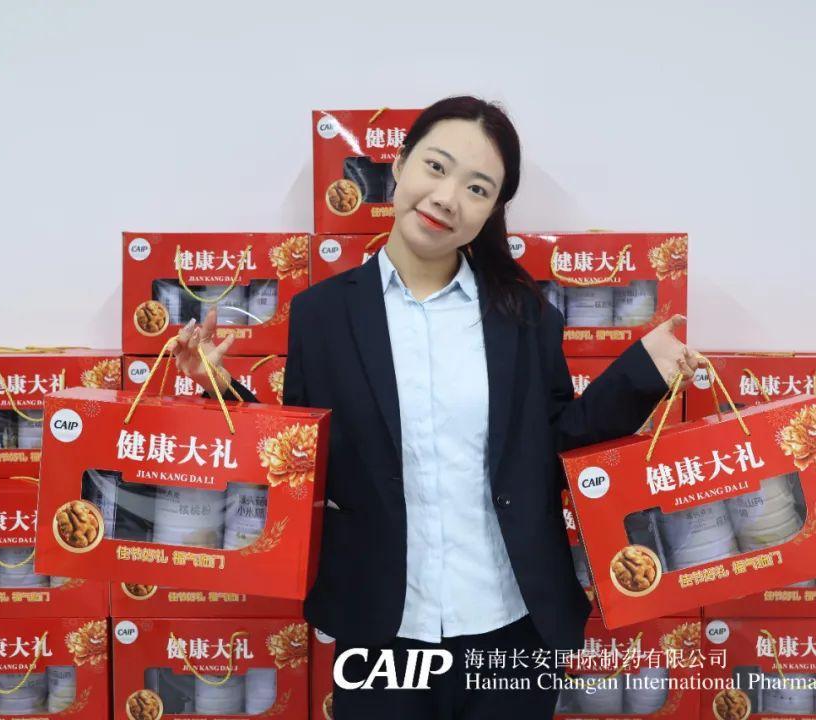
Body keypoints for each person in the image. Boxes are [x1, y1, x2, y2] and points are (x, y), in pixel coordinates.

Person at [172, 96, 703, 719]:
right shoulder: (323, 315)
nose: (448, 197)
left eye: (477, 188)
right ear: (399, 166)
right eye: (436, 167)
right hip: (381, 626)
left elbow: (561, 442)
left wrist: (642, 372)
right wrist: (219, 387)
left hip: (510, 622)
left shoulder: (523, 314)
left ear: (492, 211)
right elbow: (302, 456)